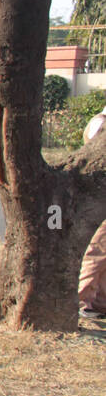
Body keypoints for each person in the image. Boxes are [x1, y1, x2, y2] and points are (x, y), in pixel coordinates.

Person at [79, 105, 106, 320]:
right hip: (100, 195)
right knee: (98, 249)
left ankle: (99, 302)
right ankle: (82, 300)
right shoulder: (100, 123)